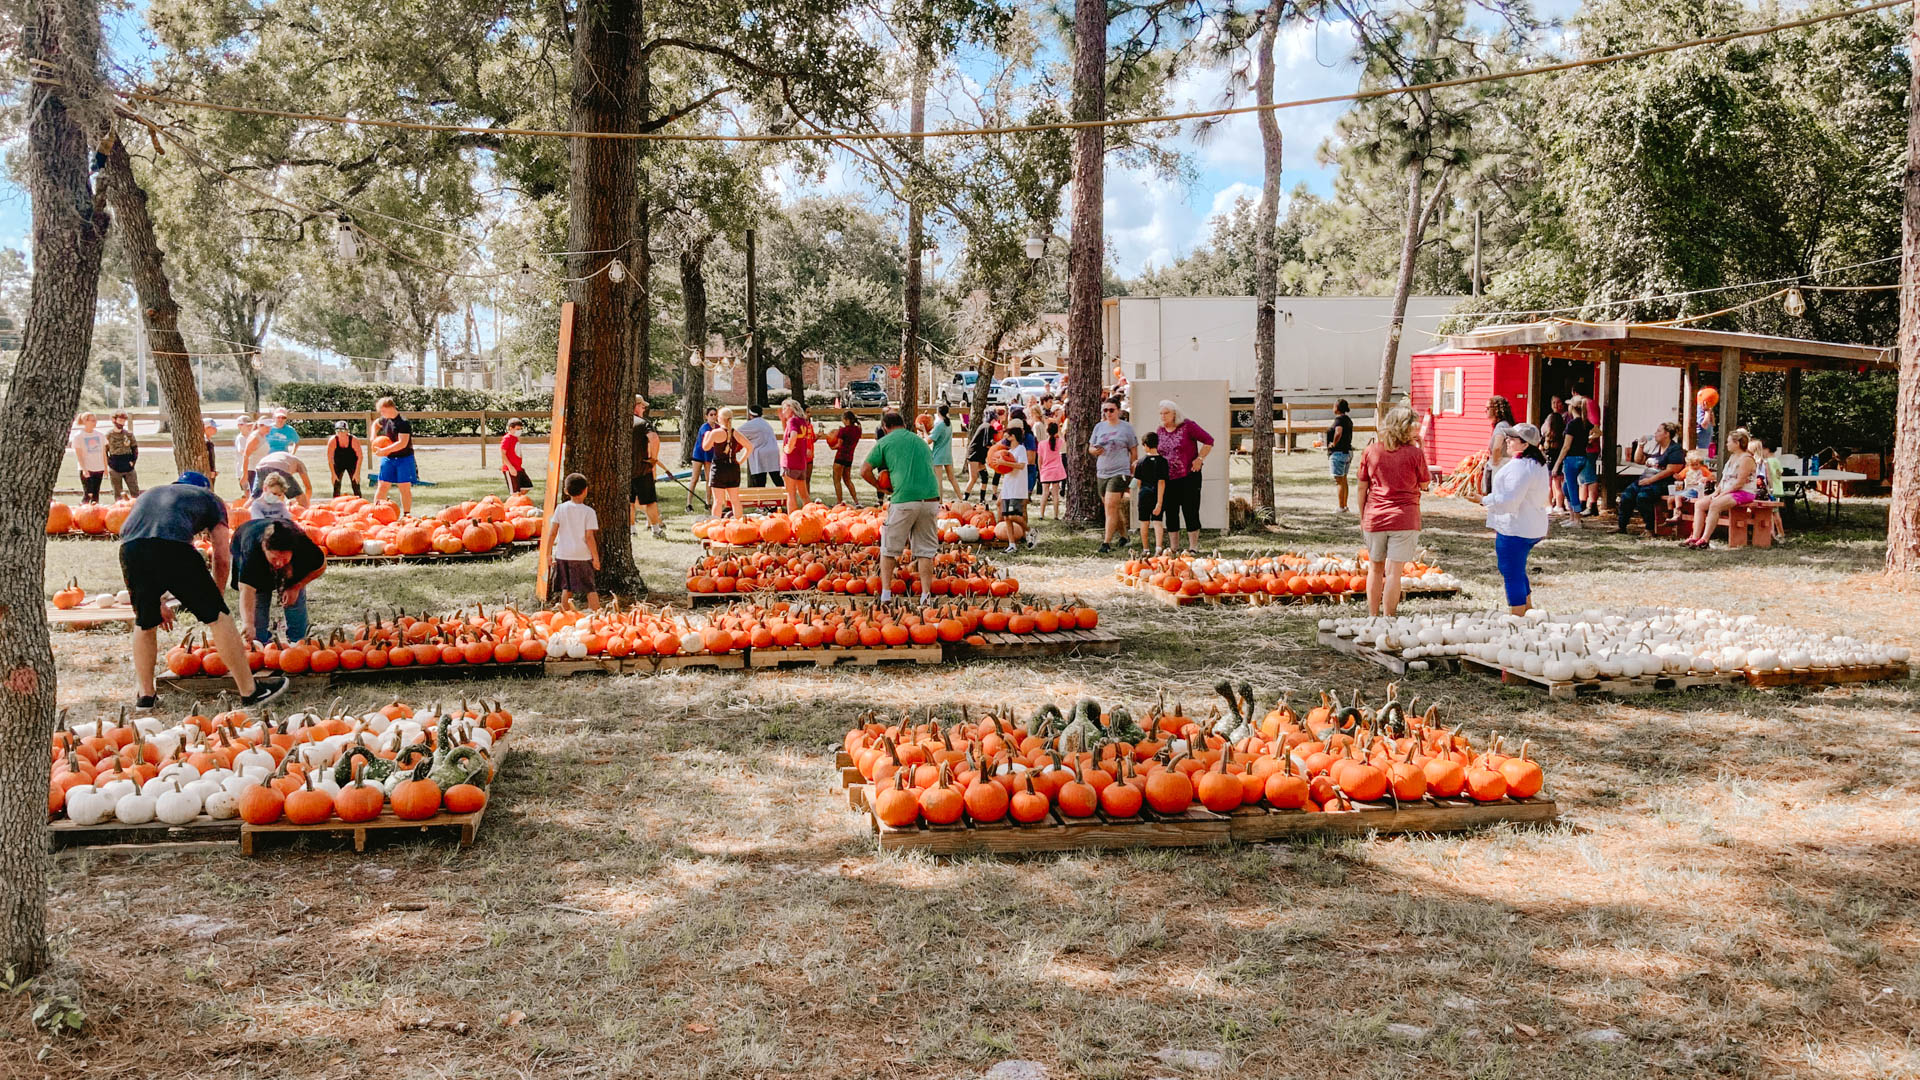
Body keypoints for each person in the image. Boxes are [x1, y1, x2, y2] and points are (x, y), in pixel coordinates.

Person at [118, 472, 286, 709]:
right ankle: (251, 692)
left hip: (130, 549)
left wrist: (157, 602)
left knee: (145, 622)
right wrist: (215, 600)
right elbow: (221, 554)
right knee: (219, 618)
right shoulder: (210, 499)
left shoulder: (153, 493)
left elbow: (148, 542)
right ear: (207, 488)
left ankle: (146, 696)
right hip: (173, 547)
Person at [1466, 423, 1551, 615]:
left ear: (1526, 444)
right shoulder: (1537, 463)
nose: (1507, 441)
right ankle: (1528, 608)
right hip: (1531, 524)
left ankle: (1517, 614)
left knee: (1510, 570)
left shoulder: (1520, 468)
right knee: (1516, 568)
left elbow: (1510, 501)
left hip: (1516, 527)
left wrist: (1482, 500)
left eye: (1513, 439)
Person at [861, 410, 940, 604]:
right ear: (903, 425)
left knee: (889, 549)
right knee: (925, 552)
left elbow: (864, 470)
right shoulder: (921, 442)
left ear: (885, 427)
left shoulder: (885, 442)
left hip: (904, 499)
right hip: (930, 499)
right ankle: (926, 596)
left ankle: (886, 594)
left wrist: (880, 487)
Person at [1356, 406, 1428, 617]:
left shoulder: (1371, 451)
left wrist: (1363, 516)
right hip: (1405, 518)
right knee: (1394, 573)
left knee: (1375, 569)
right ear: (1406, 428)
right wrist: (1420, 448)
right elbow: (1424, 485)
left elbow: (1362, 487)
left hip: (1375, 517)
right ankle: (1389, 618)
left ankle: (1372, 616)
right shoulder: (1415, 453)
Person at [231, 515, 325, 645]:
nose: (280, 563)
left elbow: (321, 565)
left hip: (291, 560)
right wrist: (248, 623)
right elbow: (247, 590)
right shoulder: (251, 552)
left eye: (285, 559)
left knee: (294, 597)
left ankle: (298, 642)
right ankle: (260, 643)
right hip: (244, 537)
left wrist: (297, 586)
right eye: (275, 558)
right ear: (265, 548)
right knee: (260, 600)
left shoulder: (302, 544)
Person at [1154, 400, 1215, 553]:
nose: (1163, 416)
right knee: (1171, 511)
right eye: (1161, 413)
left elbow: (1209, 440)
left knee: (1190, 510)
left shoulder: (1188, 426)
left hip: (1188, 476)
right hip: (1168, 477)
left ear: (1175, 413)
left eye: (1166, 413)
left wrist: (1199, 459)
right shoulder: (1159, 431)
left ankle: (1193, 546)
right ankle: (1174, 547)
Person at [1686, 427, 1757, 549]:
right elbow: (1724, 480)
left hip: (1743, 492)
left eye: (1729, 441)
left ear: (1737, 443)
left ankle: (1705, 539)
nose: (1727, 444)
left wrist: (1722, 495)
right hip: (1727, 491)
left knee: (1715, 505)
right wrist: (1716, 492)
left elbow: (1740, 483)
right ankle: (1695, 537)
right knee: (1700, 504)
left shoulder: (1746, 459)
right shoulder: (1732, 458)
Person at [1616, 421, 1685, 535]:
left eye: (1658, 431)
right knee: (1626, 495)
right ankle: (1621, 526)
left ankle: (1650, 528)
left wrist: (1650, 480)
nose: (1655, 433)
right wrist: (1640, 445)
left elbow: (1672, 470)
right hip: (1646, 480)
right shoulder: (1655, 447)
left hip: (1662, 482)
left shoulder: (1675, 449)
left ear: (1667, 434)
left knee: (1643, 497)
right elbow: (1639, 460)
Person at [1089, 400, 1140, 553]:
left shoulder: (1126, 428)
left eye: (1111, 410)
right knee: (1111, 507)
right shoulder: (1099, 427)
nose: (1108, 413)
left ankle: (1106, 542)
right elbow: (1091, 447)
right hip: (1102, 471)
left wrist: (1133, 472)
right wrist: (1094, 451)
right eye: (1105, 410)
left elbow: (1134, 452)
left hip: (1120, 471)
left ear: (1118, 410)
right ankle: (1124, 536)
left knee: (1111, 506)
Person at [548, 472, 601, 609]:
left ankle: (565, 614)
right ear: (586, 490)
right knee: (590, 588)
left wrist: (548, 554)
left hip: (563, 554)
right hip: (582, 555)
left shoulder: (560, 509)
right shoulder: (589, 512)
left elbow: (552, 532)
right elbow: (589, 537)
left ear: (566, 491)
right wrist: (595, 557)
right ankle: (597, 615)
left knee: (567, 588)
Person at [1552, 394, 1594, 525]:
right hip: (1583, 458)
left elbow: (1566, 447)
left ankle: (1576, 518)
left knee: (1571, 488)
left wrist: (1556, 464)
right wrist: (1589, 439)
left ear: (1572, 408)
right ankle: (1571, 517)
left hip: (1571, 459)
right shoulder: (1586, 423)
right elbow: (1598, 431)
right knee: (1566, 488)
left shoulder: (1572, 425)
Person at [372, 397, 417, 514]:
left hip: (404, 458)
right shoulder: (385, 420)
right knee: (382, 485)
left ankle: (407, 514)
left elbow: (402, 443)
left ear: (390, 408)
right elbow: (375, 424)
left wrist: (384, 450)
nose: (381, 414)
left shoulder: (403, 422)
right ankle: (376, 512)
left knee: (404, 488)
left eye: (382, 411)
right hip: (388, 458)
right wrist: (373, 436)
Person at [995, 420, 1034, 552]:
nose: (1006, 437)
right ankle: (1012, 545)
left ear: (1014, 436)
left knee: (1013, 515)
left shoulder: (1020, 449)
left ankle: (1030, 530)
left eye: (1008, 435)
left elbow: (1022, 465)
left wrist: (1005, 463)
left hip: (1018, 487)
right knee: (1006, 516)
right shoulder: (1009, 451)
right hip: (1008, 485)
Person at [630, 397, 665, 539]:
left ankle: (632, 530)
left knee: (629, 502)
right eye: (642, 407)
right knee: (650, 501)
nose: (644, 409)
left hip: (625, 470)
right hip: (643, 468)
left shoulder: (619, 422)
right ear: (636, 406)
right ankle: (656, 530)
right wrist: (654, 458)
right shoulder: (643, 423)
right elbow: (654, 438)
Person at [704, 407, 747, 519]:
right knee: (735, 500)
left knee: (718, 501)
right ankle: (739, 526)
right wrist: (740, 461)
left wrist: (707, 435)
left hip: (719, 468)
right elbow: (750, 447)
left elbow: (705, 447)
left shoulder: (715, 433)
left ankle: (716, 525)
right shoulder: (735, 433)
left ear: (720, 418)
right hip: (733, 468)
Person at [1133, 431, 1169, 552]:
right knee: (1158, 521)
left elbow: (1136, 481)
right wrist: (1159, 502)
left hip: (1144, 494)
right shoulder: (1163, 462)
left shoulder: (1141, 462)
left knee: (1144, 522)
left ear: (1145, 446)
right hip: (1157, 494)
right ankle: (1158, 547)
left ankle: (1146, 548)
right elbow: (1161, 482)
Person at [778, 398, 815, 511]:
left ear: (791, 408)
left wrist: (788, 448)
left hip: (790, 462)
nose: (783, 411)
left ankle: (792, 521)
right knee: (804, 495)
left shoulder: (792, 421)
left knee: (791, 495)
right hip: (801, 463)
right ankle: (812, 515)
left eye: (784, 408)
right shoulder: (803, 421)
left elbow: (793, 435)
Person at [736, 408, 781, 488]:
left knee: (759, 481)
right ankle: (786, 497)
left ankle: (759, 499)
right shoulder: (766, 423)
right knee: (777, 478)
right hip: (773, 452)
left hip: (760, 454)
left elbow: (736, 433)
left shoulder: (751, 424)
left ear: (750, 415)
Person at [828, 410, 864, 506]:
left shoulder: (843, 431)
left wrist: (831, 447)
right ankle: (856, 501)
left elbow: (839, 445)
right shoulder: (858, 430)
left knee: (837, 480)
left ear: (846, 419)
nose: (842, 421)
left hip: (840, 457)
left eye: (843, 419)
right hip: (849, 458)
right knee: (848, 480)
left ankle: (839, 502)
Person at [102, 411, 141, 501]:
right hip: (115, 466)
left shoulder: (128, 435)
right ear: (114, 420)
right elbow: (104, 452)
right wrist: (110, 464)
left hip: (128, 466)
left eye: (124, 421)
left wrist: (133, 462)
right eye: (120, 420)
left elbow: (135, 449)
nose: (121, 423)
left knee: (135, 492)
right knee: (118, 494)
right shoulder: (108, 435)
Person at [69, 413, 107, 503]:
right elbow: (79, 455)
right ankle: (84, 512)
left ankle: (95, 513)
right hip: (87, 468)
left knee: (95, 494)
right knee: (88, 494)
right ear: (85, 421)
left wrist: (105, 467)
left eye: (95, 420)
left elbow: (103, 452)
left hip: (99, 468)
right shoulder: (79, 436)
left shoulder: (100, 435)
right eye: (92, 421)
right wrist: (84, 469)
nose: (95, 422)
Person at [1326, 399, 1355, 512]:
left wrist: (1333, 443)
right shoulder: (1348, 419)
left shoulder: (1339, 420)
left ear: (1337, 408)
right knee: (1344, 480)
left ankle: (1340, 507)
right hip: (1347, 452)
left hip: (1338, 453)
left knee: (1339, 481)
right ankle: (1345, 505)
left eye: (1334, 406)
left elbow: (1338, 432)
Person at [1669, 450, 1715, 522]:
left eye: (1697, 464)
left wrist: (1706, 478)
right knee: (1671, 498)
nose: (1695, 466)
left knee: (1678, 497)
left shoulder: (1702, 469)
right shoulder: (1687, 470)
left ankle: (1677, 513)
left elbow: (1712, 477)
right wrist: (1676, 476)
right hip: (1687, 489)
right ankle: (1670, 514)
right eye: (1692, 465)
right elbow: (1680, 477)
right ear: (1688, 464)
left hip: (1697, 490)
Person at [1540, 396, 1568, 513]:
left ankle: (1549, 505)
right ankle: (1560, 506)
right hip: (1559, 462)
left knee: (1548, 486)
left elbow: (1540, 447)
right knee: (1558, 485)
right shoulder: (1562, 437)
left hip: (1548, 462)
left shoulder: (1546, 438)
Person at [687, 406, 717, 512]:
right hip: (699, 454)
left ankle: (708, 502)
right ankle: (689, 504)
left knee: (709, 480)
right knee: (694, 478)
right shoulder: (705, 427)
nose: (713, 417)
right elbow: (706, 439)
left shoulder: (718, 427)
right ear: (706, 416)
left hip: (710, 456)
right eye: (711, 415)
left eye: (715, 414)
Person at [1483, 396, 1516, 494]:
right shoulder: (1506, 424)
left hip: (1500, 464)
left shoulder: (1501, 426)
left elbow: (1497, 447)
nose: (1485, 411)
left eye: (1488, 408)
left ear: (1496, 410)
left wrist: (1494, 464)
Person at [964, 409, 998, 503]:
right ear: (993, 419)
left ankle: (982, 500)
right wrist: (996, 448)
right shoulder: (987, 427)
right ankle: (964, 499)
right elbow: (986, 444)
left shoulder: (987, 427)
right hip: (974, 454)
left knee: (984, 476)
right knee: (973, 478)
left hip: (979, 455)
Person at [1035, 420, 1066, 519]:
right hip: (1056, 471)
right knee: (1055, 494)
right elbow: (1063, 440)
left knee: (1045, 493)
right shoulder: (1059, 442)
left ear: (1047, 431)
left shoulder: (1042, 444)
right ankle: (1056, 515)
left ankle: (1041, 514)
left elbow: (1039, 460)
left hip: (1045, 471)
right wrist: (1059, 431)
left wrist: (1040, 471)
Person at [929, 403, 961, 500]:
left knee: (938, 480)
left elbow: (929, 440)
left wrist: (924, 431)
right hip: (947, 454)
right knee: (952, 479)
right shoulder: (948, 424)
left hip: (938, 456)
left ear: (938, 412)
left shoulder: (940, 425)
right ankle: (961, 498)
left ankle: (940, 503)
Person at [326, 421, 363, 498]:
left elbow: (360, 456)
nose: (340, 433)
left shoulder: (353, 440)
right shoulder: (333, 441)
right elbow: (330, 458)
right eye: (337, 430)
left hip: (352, 462)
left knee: (355, 483)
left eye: (342, 430)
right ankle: (335, 503)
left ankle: (359, 501)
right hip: (338, 463)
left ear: (347, 431)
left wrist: (357, 473)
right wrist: (333, 474)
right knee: (336, 484)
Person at [498, 418, 530, 495]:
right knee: (515, 493)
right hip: (510, 469)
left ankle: (518, 502)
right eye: (517, 429)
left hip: (518, 468)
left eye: (521, 429)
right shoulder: (507, 439)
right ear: (511, 428)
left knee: (527, 486)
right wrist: (510, 467)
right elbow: (503, 454)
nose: (519, 431)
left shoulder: (515, 438)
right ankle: (512, 504)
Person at [232, 415, 260, 496]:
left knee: (254, 489)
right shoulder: (240, 438)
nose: (249, 427)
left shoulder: (252, 436)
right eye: (239, 425)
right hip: (243, 469)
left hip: (253, 467)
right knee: (248, 491)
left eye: (250, 425)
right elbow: (243, 451)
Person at [202, 420, 220, 487]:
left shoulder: (208, 440)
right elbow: (210, 457)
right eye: (213, 427)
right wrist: (211, 470)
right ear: (206, 428)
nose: (216, 429)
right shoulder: (207, 442)